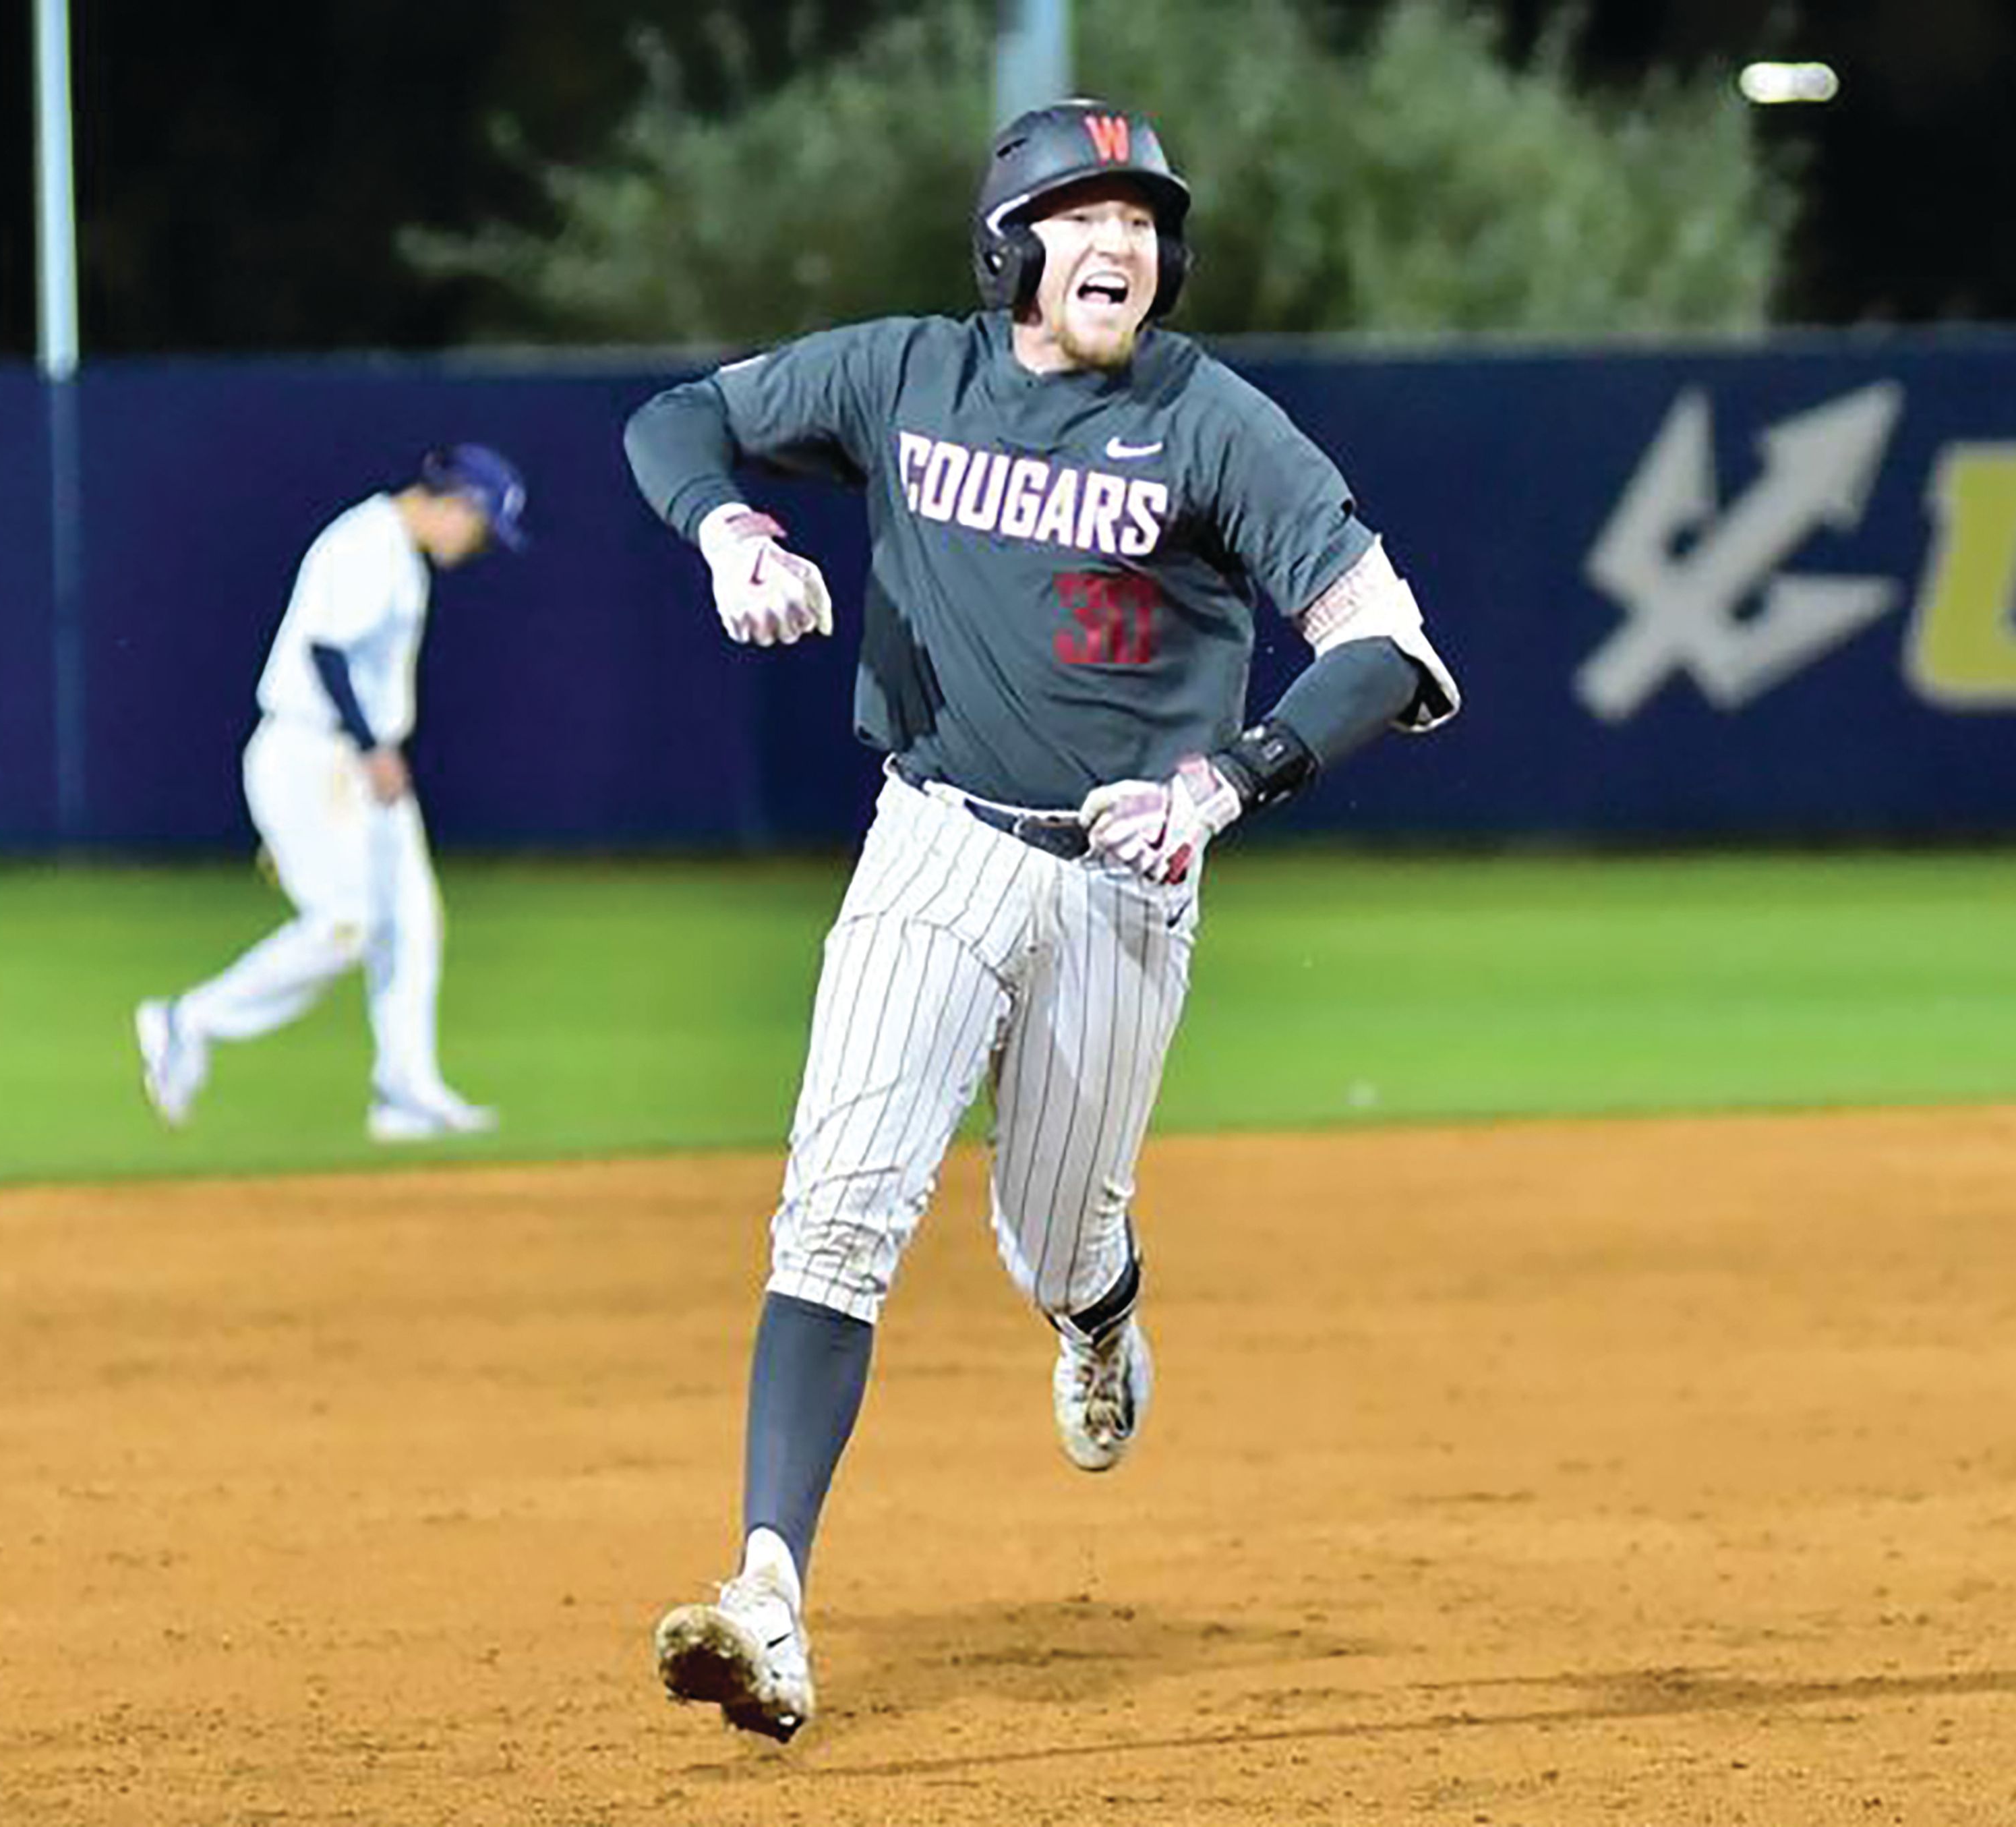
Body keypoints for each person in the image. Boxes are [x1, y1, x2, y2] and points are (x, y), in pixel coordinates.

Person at [620, 98, 1459, 1743]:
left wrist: (1231, 780)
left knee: (1047, 1232)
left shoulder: (1212, 422)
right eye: (1084, 214)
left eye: (1143, 220)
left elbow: (1390, 647)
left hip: (1125, 884)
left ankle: (1100, 1312)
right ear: (1012, 244)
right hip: (929, 842)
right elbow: (673, 422)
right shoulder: (903, 375)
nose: (1120, 244)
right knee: (837, 1211)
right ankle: (768, 1601)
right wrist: (724, 532)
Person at [134, 443, 529, 1144]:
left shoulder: (400, 553)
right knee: (346, 923)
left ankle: (404, 1093)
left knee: (412, 921)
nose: (479, 545)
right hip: (314, 751)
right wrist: (372, 747)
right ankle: (187, 1020)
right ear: (458, 502)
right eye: (481, 526)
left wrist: (374, 749)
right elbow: (326, 649)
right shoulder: (368, 543)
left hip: (357, 756)